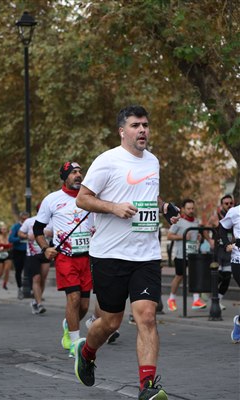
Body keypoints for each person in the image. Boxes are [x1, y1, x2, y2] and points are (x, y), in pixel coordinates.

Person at [75, 105, 175, 400]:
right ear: (122, 131)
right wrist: (113, 208)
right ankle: (87, 352)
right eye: (135, 125)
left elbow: (149, 195)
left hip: (146, 254)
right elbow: (83, 199)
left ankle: (147, 386)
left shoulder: (153, 161)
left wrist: (164, 207)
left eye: (145, 125)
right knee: (110, 322)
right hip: (110, 254)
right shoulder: (107, 161)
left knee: (147, 316)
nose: (142, 130)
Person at [34, 162, 94, 357]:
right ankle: (75, 344)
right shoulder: (52, 199)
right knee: (73, 298)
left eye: (80, 172)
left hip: (87, 258)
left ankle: (69, 325)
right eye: (73, 172)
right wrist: (45, 248)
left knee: (84, 305)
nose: (78, 175)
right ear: (64, 176)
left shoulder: (90, 198)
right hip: (66, 257)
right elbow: (37, 229)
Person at [166, 199, 204, 311]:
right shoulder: (179, 221)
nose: (191, 210)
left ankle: (196, 300)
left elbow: (195, 236)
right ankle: (171, 298)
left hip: (193, 253)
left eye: (192, 208)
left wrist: (198, 237)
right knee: (179, 276)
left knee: (195, 275)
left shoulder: (196, 221)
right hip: (181, 254)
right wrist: (182, 236)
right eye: (188, 208)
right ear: (183, 209)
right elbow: (169, 236)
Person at [217, 204, 240, 343]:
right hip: (238, 260)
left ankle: (239, 322)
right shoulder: (235, 211)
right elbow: (222, 228)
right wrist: (226, 244)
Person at [19, 208, 50, 314]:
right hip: (32, 254)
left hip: (45, 252)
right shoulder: (29, 221)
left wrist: (48, 233)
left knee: (43, 279)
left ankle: (35, 301)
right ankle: (40, 304)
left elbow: (56, 233)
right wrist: (27, 236)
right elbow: (20, 233)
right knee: (36, 278)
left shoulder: (51, 221)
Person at [9, 211, 29, 299]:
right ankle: (20, 288)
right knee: (18, 270)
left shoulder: (30, 226)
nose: (25, 221)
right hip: (18, 251)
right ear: (20, 218)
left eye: (26, 219)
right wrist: (20, 238)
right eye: (23, 219)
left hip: (28, 252)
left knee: (29, 271)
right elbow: (10, 239)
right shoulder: (16, 227)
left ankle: (30, 289)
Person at [0, 222, 13, 290]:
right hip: (0, 255)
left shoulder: (9, 237)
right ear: (0, 230)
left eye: (5, 229)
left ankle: (5, 284)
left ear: (7, 230)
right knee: (0, 272)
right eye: (3, 229)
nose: (4, 230)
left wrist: (10, 247)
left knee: (7, 270)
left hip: (8, 254)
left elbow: (12, 244)